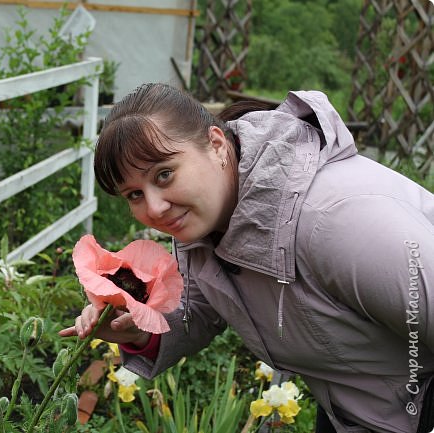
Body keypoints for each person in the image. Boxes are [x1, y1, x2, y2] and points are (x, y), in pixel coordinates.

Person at [59, 82, 434, 433]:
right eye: (134, 194)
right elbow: (204, 307)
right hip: (359, 412)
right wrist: (140, 328)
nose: (154, 208)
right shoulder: (211, 219)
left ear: (217, 144)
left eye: (164, 174)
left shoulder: (337, 222)